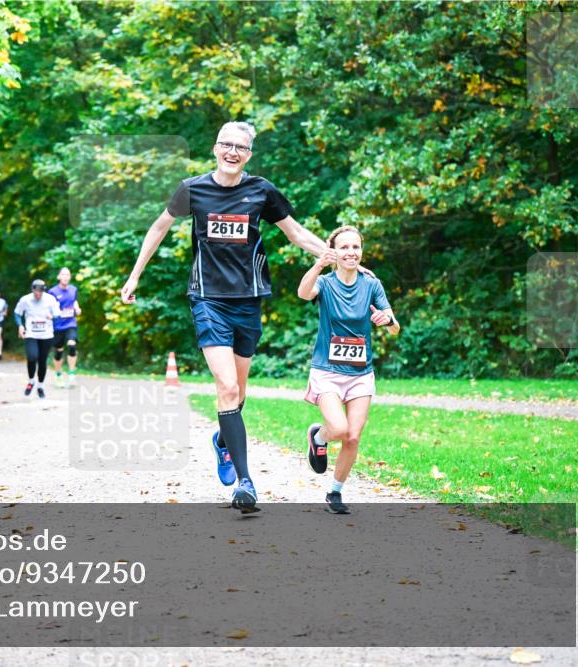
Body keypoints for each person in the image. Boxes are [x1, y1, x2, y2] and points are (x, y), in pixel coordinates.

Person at [120, 121, 358, 511]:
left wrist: (336, 259)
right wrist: (134, 276)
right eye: (226, 145)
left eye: (241, 147)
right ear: (215, 148)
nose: (232, 152)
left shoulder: (261, 191)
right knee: (227, 388)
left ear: (249, 154)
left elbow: (296, 234)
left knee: (239, 392)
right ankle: (245, 484)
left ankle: (222, 441)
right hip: (207, 299)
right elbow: (159, 227)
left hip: (248, 301)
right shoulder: (192, 189)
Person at [298, 225, 400, 514]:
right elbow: (304, 293)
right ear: (334, 251)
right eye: (344, 247)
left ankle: (335, 492)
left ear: (361, 252)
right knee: (339, 429)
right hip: (328, 371)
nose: (351, 252)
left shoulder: (371, 284)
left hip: (360, 374)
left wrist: (387, 321)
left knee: (353, 436)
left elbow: (395, 327)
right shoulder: (326, 284)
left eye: (355, 247)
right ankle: (319, 437)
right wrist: (319, 263)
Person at [14, 279, 59, 399]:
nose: (38, 294)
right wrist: (20, 325)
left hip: (46, 335)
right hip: (31, 334)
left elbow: (57, 315)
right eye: (36, 291)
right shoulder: (26, 299)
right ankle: (31, 381)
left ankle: (40, 386)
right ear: (32, 289)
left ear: (44, 290)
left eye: (41, 291)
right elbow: (17, 313)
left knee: (42, 361)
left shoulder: (50, 299)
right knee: (32, 357)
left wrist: (52, 317)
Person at [48, 267, 82, 388]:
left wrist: (77, 308)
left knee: (72, 345)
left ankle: (72, 375)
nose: (66, 277)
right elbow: (49, 307)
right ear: (58, 277)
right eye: (63, 274)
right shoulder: (52, 292)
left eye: (68, 274)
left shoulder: (73, 290)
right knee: (58, 351)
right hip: (57, 326)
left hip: (70, 324)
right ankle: (58, 375)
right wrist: (49, 314)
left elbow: (74, 301)